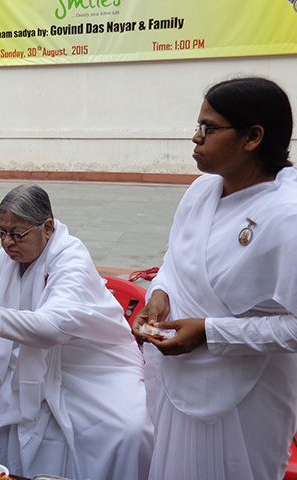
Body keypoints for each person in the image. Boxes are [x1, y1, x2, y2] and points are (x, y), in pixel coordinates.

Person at [0, 184, 154, 480]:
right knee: (12, 425)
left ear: (48, 228)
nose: (6, 243)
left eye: (17, 233)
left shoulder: (71, 260)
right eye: (1, 232)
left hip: (97, 366)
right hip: (36, 364)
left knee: (129, 432)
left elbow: (53, 327)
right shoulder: (10, 256)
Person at [132, 77, 297, 480]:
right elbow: (175, 258)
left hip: (247, 396)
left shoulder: (287, 215)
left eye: (209, 128)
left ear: (253, 137)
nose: (195, 137)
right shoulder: (202, 190)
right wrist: (159, 294)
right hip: (178, 378)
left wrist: (210, 333)